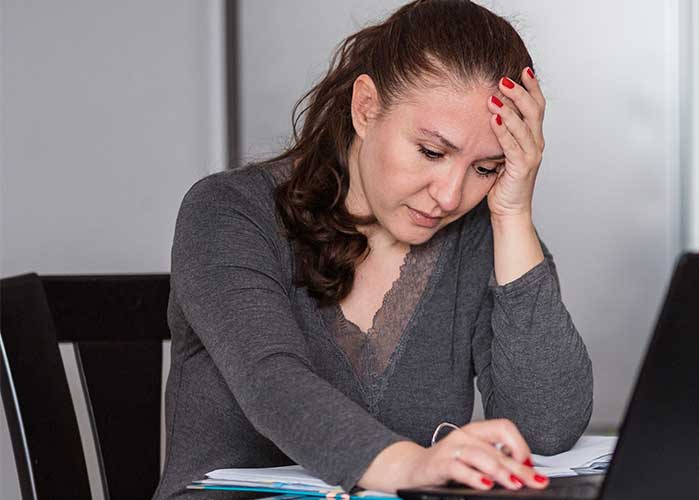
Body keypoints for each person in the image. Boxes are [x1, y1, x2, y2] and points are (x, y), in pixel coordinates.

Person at [153, 1, 592, 497]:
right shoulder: (229, 211)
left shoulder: (481, 235)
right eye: (431, 151)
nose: (450, 195)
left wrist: (513, 216)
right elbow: (270, 381)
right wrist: (410, 466)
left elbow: (547, 428)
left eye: (486, 168)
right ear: (366, 107)